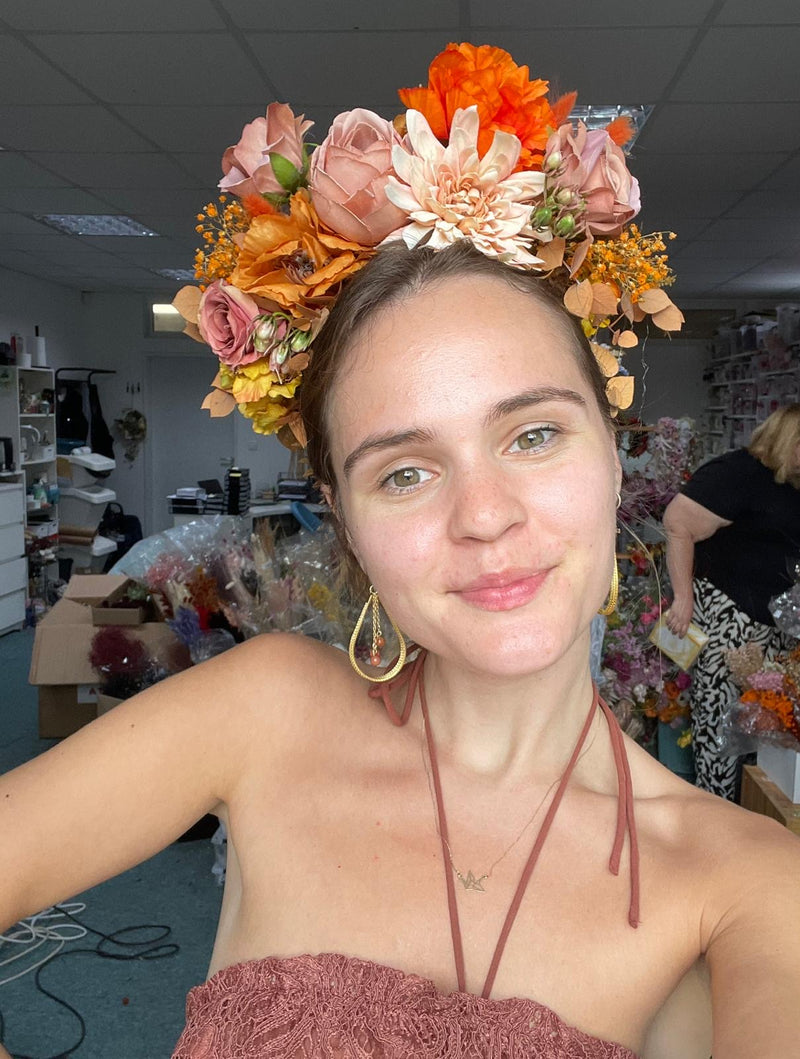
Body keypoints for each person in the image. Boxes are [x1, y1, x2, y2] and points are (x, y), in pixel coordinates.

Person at [2, 242, 800, 1059]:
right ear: (347, 522)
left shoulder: (746, 884)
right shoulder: (266, 711)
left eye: (533, 434)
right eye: (404, 474)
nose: (484, 516)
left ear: (610, 451)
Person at [663, 405, 800, 800]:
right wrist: (683, 598)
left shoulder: (792, 482)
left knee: (768, 733)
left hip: (778, 629)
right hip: (731, 620)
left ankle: (752, 816)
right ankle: (716, 815)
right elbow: (678, 523)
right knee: (722, 731)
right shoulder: (740, 472)